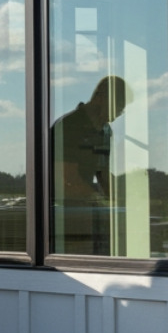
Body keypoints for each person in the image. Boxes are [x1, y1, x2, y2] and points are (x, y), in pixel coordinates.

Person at [50, 75, 129, 255]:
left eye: (121, 110)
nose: (118, 115)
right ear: (101, 98)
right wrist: (99, 202)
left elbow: (102, 172)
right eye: (118, 107)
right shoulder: (69, 126)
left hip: (86, 210)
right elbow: (67, 179)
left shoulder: (105, 130)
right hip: (62, 214)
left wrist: (119, 202)